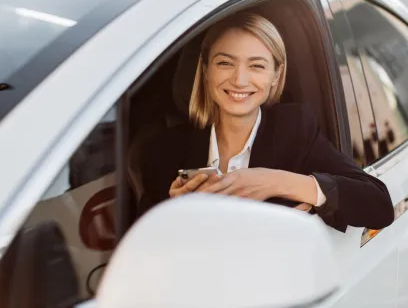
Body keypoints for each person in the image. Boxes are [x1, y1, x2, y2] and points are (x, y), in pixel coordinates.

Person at [138, 12, 394, 232]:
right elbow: (144, 256)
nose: (239, 80)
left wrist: (274, 182)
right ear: (205, 70)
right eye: (225, 63)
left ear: (276, 75)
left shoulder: (294, 131)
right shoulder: (162, 152)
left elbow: (379, 205)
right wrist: (172, 214)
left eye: (257, 66)